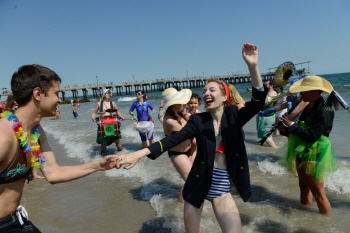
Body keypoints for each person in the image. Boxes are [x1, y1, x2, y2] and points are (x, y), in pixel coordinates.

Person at [116, 43, 268, 232]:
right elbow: (172, 140)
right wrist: (138, 154)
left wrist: (252, 66)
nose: (206, 93)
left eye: (212, 90)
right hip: (197, 184)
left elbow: (258, 101)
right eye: (205, 91)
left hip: (221, 187)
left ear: (224, 96)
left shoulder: (235, 116)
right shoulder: (197, 120)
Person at [0, 64, 118, 232]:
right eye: (56, 93)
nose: (60, 99)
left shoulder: (36, 132)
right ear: (38, 94)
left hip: (16, 220)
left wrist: (99, 165)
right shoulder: (4, 135)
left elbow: (54, 173)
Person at [277, 75, 337, 215]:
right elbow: (300, 131)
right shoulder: (309, 107)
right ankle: (306, 216)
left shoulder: (325, 110)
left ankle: (325, 225)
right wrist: (283, 129)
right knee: (303, 185)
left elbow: (312, 136)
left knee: (318, 192)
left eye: (304, 91)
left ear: (315, 91)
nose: (301, 94)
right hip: (301, 150)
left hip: (315, 152)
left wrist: (291, 124)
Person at [92, 89, 124, 154]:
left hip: (112, 123)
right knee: (104, 142)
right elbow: (94, 113)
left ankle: (122, 154)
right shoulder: (99, 103)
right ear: (103, 95)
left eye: (109, 93)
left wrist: (121, 116)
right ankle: (102, 156)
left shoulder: (113, 103)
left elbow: (117, 111)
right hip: (103, 124)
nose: (109, 94)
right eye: (107, 93)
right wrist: (93, 117)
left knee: (117, 141)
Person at [256, 79, 277, 148]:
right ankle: (272, 150)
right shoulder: (269, 92)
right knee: (268, 135)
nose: (264, 85)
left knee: (265, 135)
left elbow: (265, 102)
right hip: (265, 116)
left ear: (271, 86)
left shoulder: (272, 93)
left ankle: (275, 150)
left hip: (266, 117)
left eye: (266, 84)